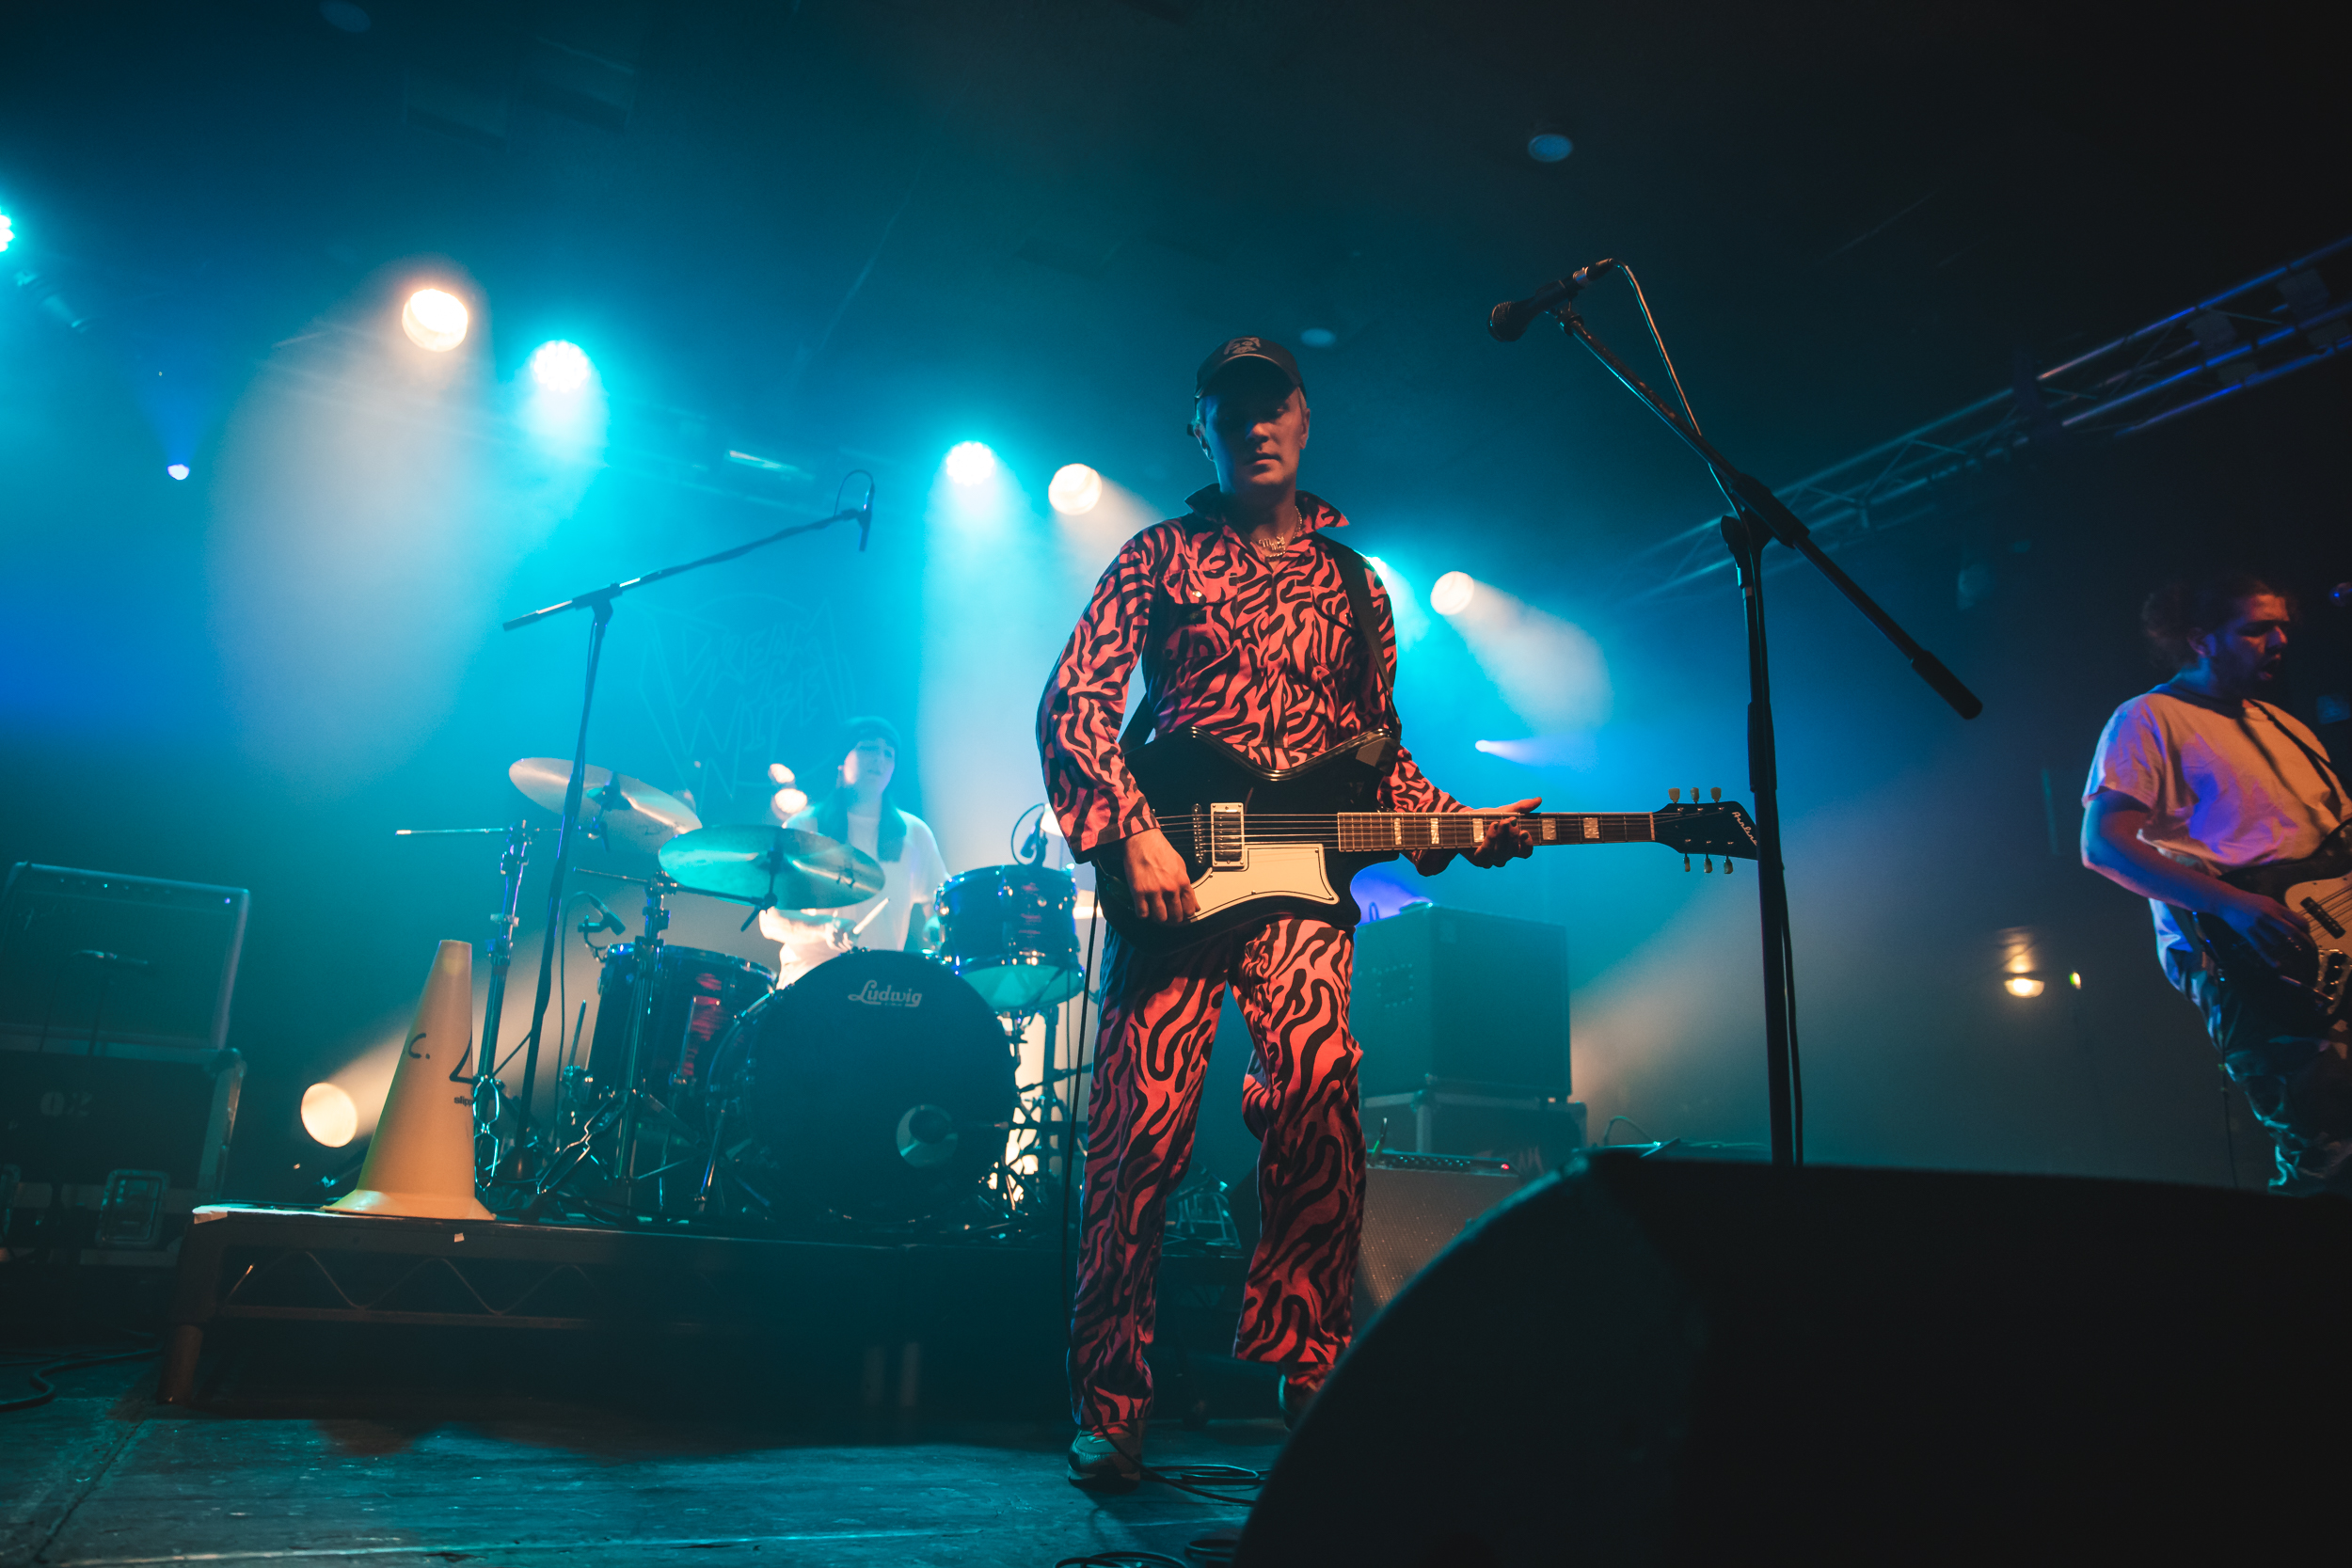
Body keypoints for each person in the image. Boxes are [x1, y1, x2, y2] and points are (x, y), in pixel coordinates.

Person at [1037, 336, 1537, 1491]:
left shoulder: (1359, 588)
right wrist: (1125, 830)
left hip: (1303, 890)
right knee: (1137, 1138)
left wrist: (1460, 824)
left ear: (1304, 418)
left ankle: (1310, 1370)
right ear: (1200, 428)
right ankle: (1110, 1406)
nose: (1254, 424)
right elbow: (1074, 701)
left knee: (1322, 1094)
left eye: (1273, 405)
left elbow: (1380, 755)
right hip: (1176, 872)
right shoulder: (1155, 553)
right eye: (1231, 408)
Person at [2081, 573, 2351, 1192]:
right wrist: (2230, 903)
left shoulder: (2285, 725)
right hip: (2260, 962)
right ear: (2200, 639)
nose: (2280, 639)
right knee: (2326, 1149)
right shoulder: (2148, 718)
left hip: (2334, 940)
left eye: (2283, 626)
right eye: (2257, 628)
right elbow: (2103, 845)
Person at [759, 717, 948, 985]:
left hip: (881, 986)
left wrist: (936, 927)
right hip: (810, 979)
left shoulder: (914, 833)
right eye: (868, 748)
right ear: (842, 759)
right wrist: (826, 928)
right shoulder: (803, 826)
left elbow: (940, 906)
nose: (880, 759)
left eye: (888, 753)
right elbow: (771, 921)